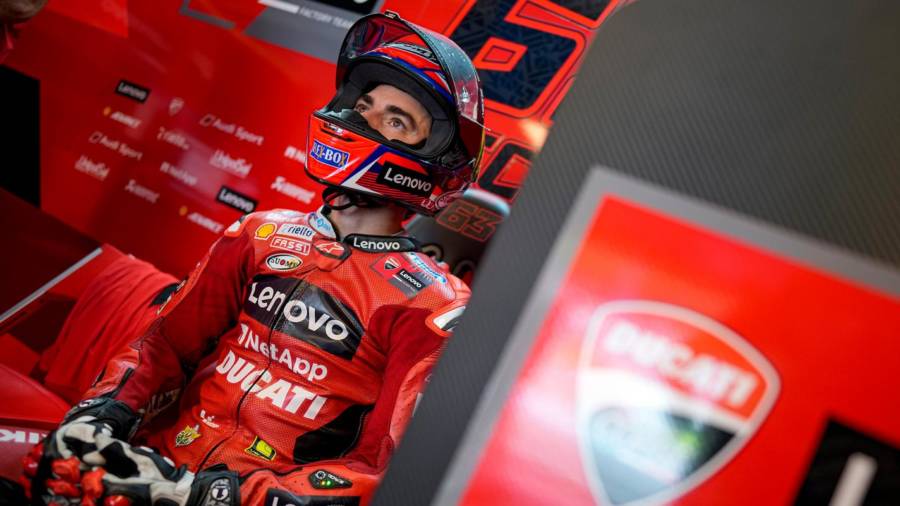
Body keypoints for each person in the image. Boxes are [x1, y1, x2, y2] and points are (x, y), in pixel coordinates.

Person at [20, 11, 485, 506]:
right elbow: (164, 348)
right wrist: (100, 417)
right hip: (153, 471)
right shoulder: (260, 232)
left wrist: (205, 495)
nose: (357, 121)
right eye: (361, 106)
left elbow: (378, 471)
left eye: (395, 120)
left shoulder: (432, 305)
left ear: (436, 159)